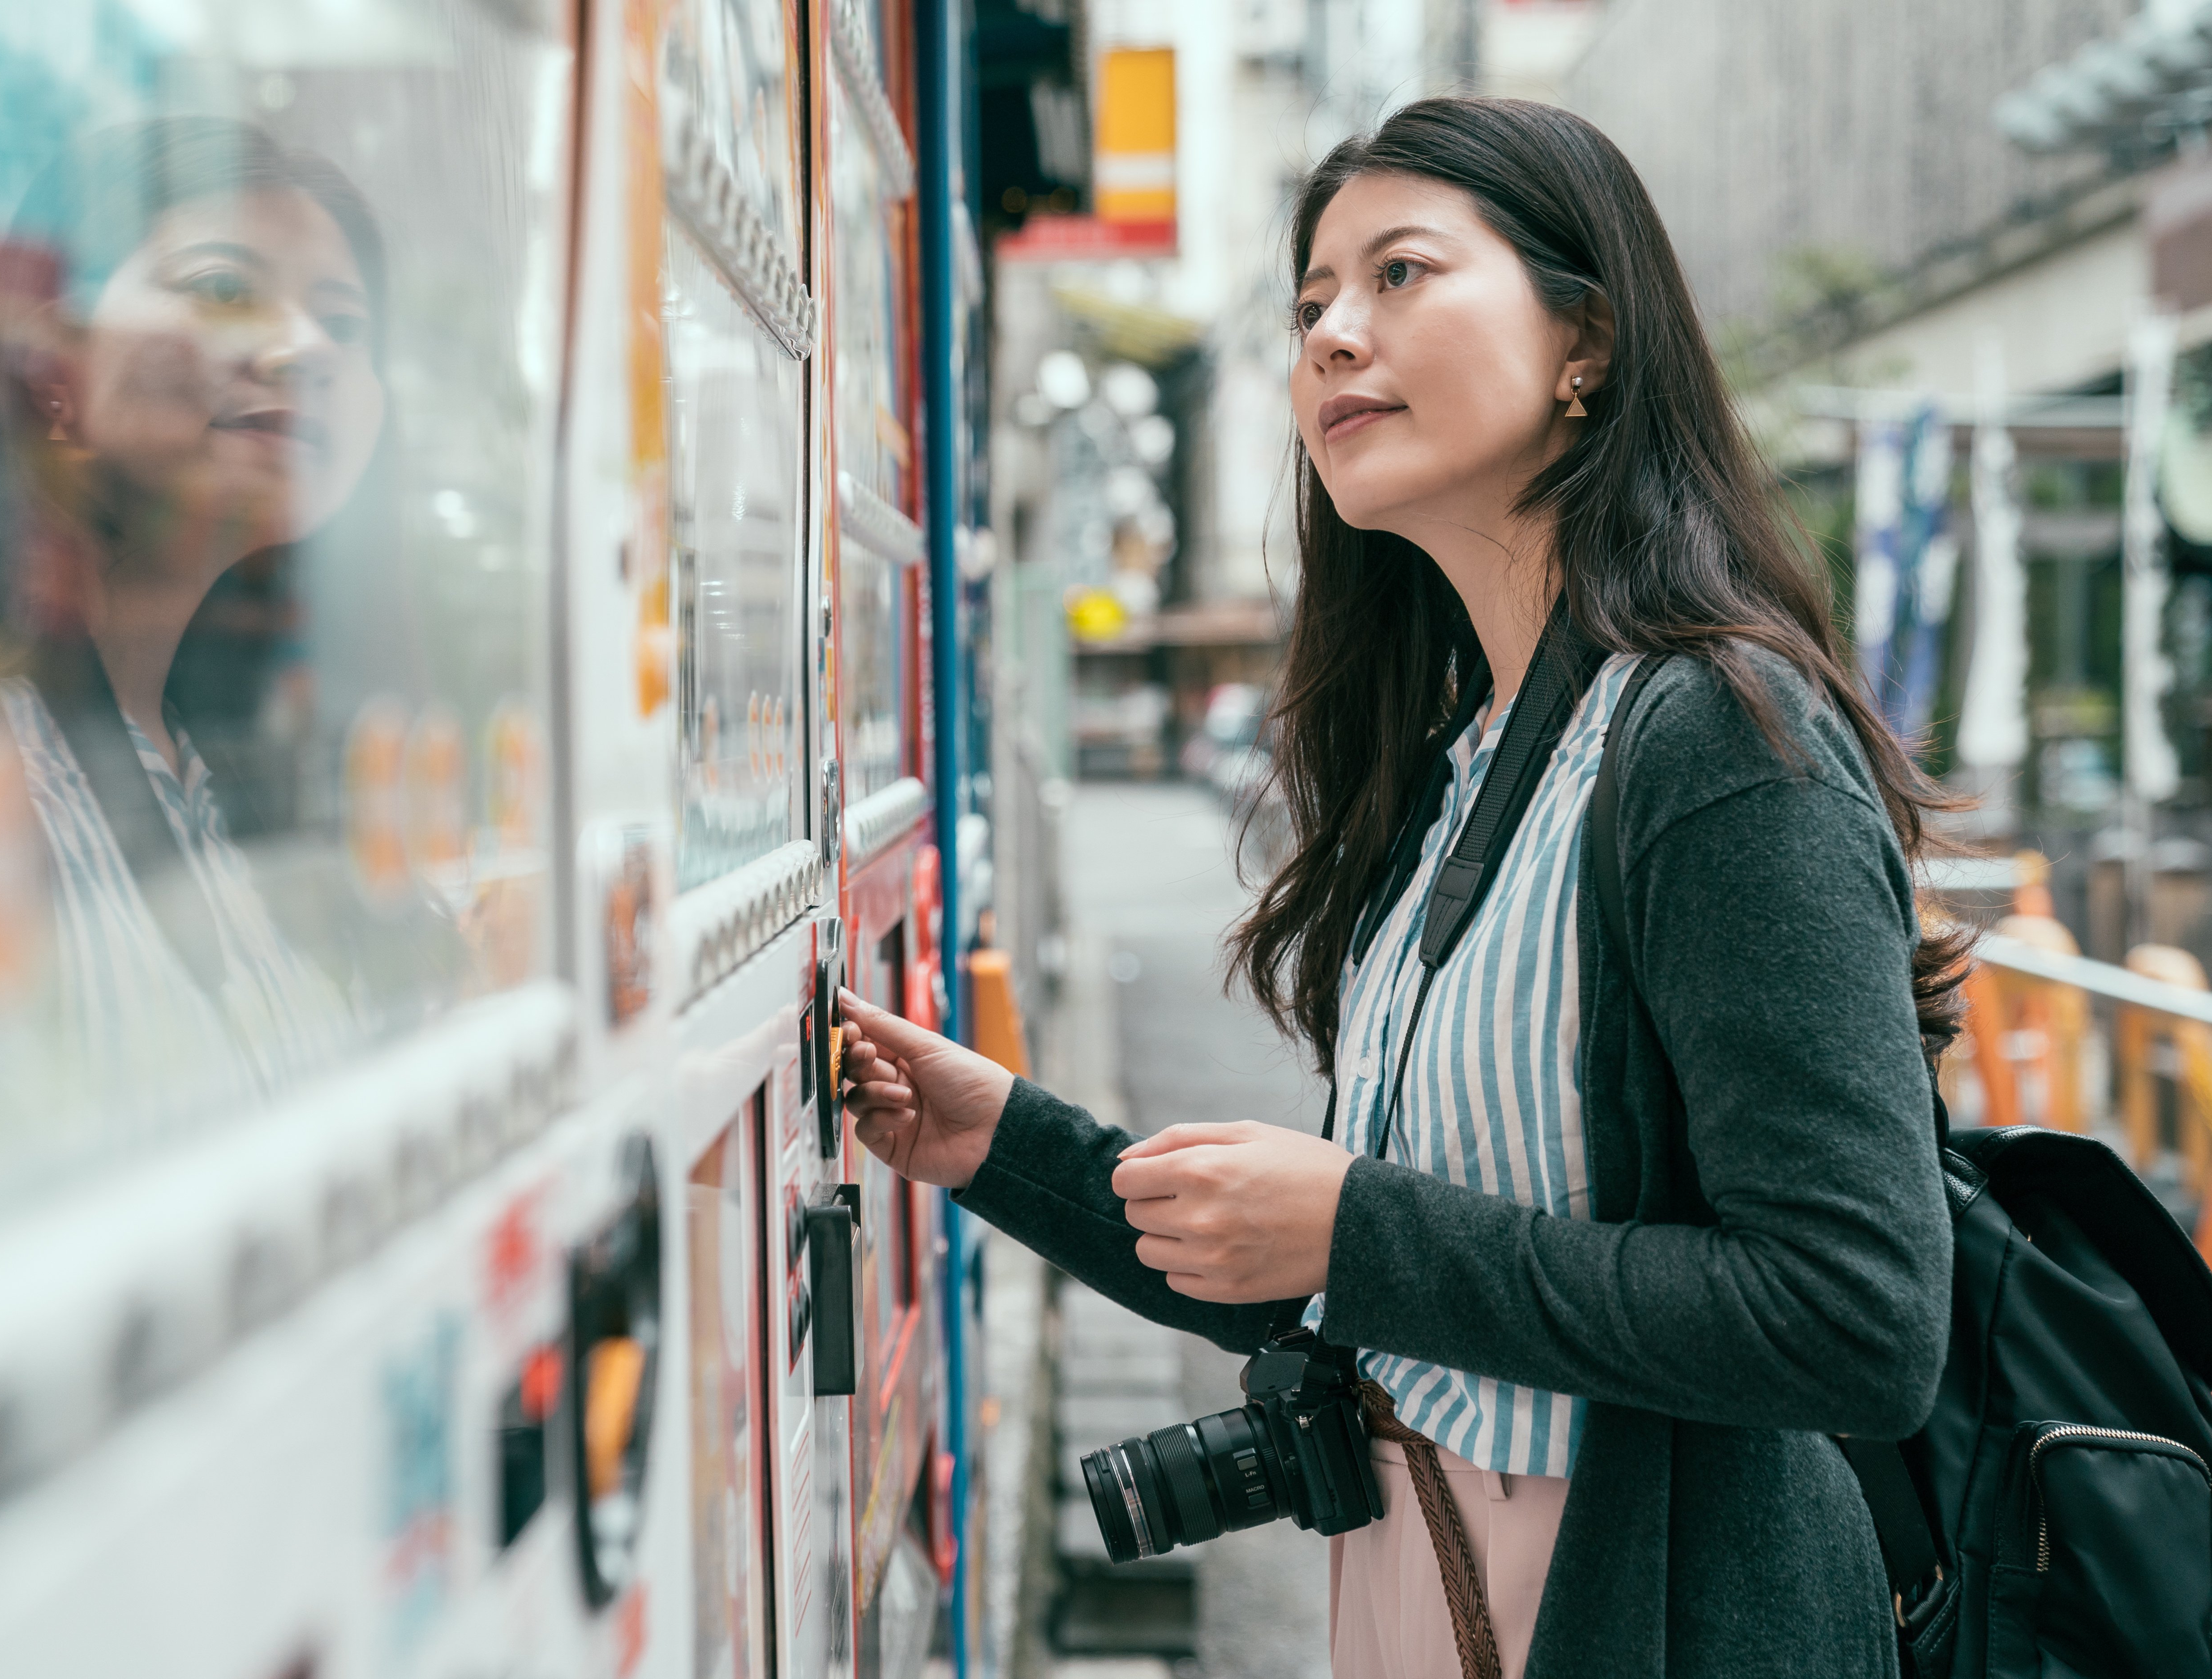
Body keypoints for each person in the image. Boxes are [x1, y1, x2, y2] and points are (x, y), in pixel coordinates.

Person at [840, 97, 1961, 1679]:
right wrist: (1004, 1149)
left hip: (1635, 1609)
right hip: (1424, 1581)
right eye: (1308, 306)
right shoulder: (1462, 764)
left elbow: (1858, 1317)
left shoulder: (1714, 743)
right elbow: (1367, 1271)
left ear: (1587, 339)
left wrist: (1361, 1231)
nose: (1331, 338)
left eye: (1400, 275)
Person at [0, 118, 464, 1118]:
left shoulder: (224, 774)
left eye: (344, 326)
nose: (304, 348)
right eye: (225, 288)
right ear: (49, 357)